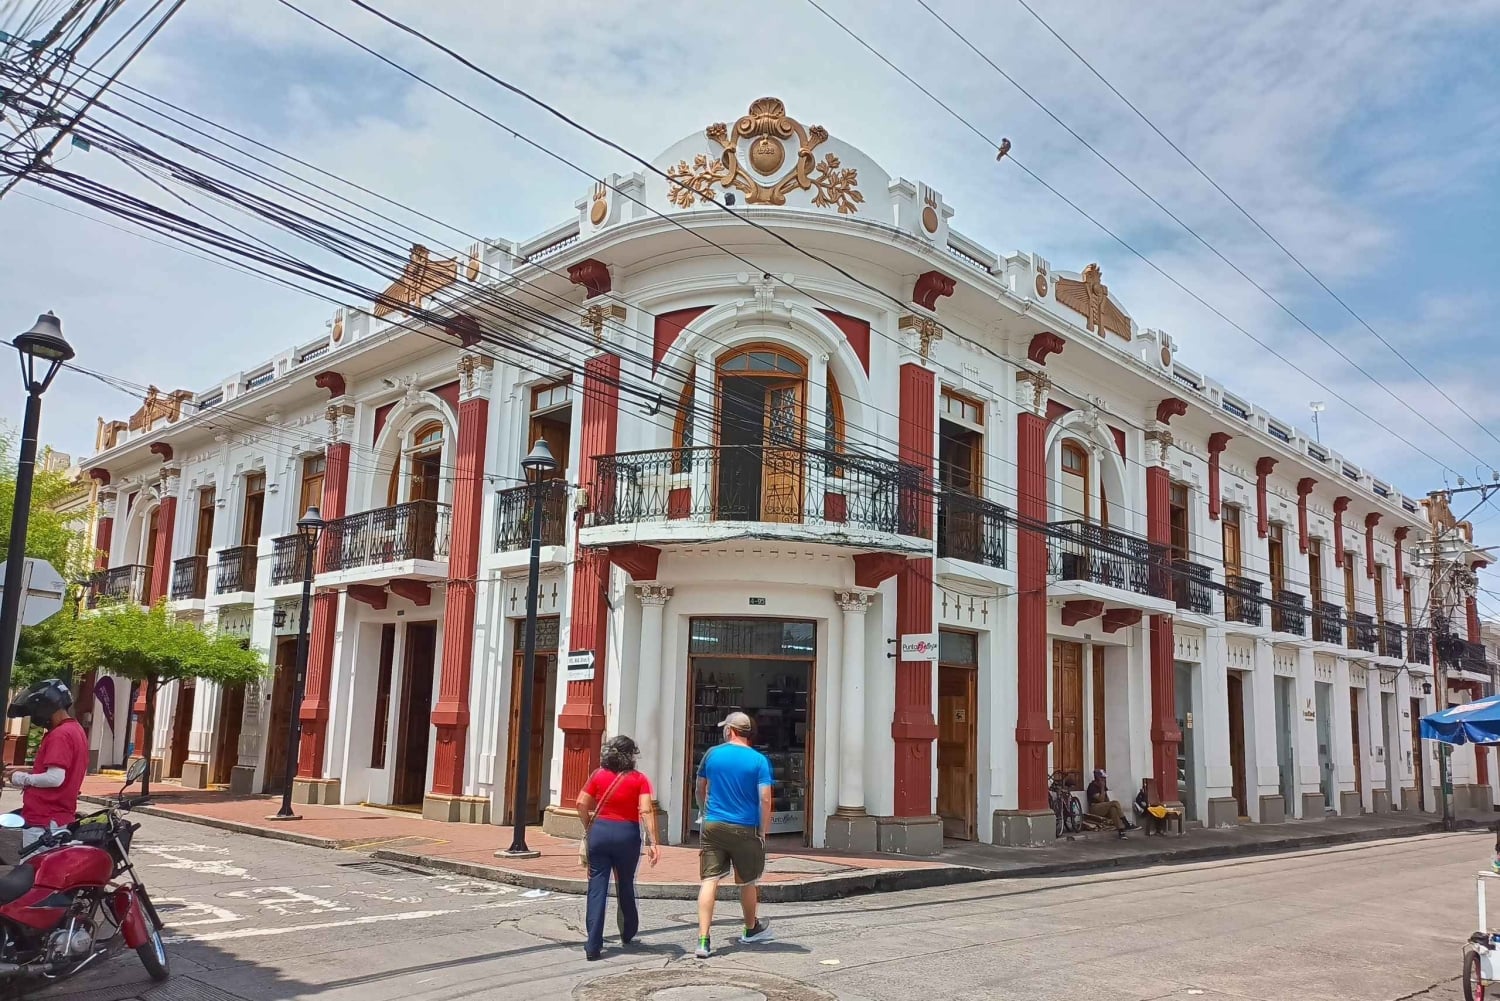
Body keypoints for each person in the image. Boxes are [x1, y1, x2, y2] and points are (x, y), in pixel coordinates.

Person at [693, 711, 774, 959]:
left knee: (709, 880)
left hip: (713, 824)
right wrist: (763, 830)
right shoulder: (759, 760)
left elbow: (699, 787)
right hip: (745, 827)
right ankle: (750, 928)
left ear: (730, 730)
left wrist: (704, 811)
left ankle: (703, 940)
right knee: (747, 881)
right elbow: (765, 798)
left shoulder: (712, 754)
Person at [576, 735, 659, 961]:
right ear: (630, 755)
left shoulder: (597, 775)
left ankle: (593, 943)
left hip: (600, 832)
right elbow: (645, 810)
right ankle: (628, 931)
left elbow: (581, 803)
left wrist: (588, 825)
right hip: (627, 835)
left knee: (597, 887)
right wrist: (653, 841)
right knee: (625, 884)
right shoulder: (640, 779)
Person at [4, 679, 88, 851]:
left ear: (44, 708)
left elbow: (55, 778)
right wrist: (23, 770)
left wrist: (20, 778)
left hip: (44, 822)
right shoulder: (75, 730)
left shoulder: (60, 735)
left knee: (28, 873)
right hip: (55, 819)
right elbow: (60, 770)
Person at [1085, 769, 1135, 839]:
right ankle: (1125, 822)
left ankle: (1121, 831)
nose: (1104, 780)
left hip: (1103, 807)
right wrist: (1102, 788)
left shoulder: (1104, 786)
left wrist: (1108, 802)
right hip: (1094, 808)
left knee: (1113, 809)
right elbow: (1101, 800)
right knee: (1115, 803)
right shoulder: (1092, 787)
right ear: (1098, 778)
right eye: (1102, 778)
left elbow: (1107, 800)